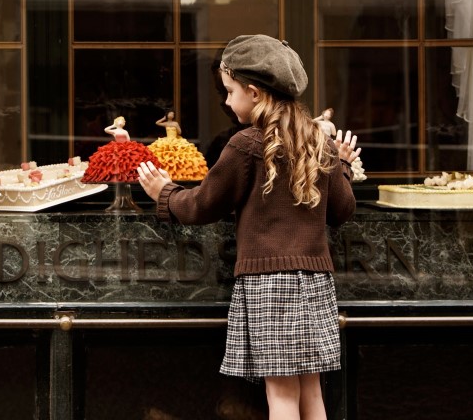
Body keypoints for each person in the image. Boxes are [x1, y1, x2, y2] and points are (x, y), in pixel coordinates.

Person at [137, 34, 361, 420]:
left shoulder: (245, 145)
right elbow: (341, 210)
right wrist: (340, 166)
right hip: (316, 281)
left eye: (230, 91)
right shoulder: (318, 143)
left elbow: (204, 204)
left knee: (282, 397)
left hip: (269, 283)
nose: (226, 101)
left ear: (254, 93)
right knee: (312, 393)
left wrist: (165, 193)